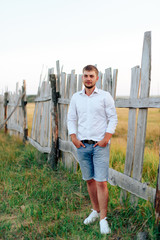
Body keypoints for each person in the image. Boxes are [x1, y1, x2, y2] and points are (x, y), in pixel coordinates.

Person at [67, 65, 117, 235]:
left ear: (97, 78)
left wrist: (106, 139)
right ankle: (95, 211)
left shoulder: (105, 96)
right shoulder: (76, 97)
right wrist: (73, 137)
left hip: (99, 145)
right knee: (89, 180)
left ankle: (103, 219)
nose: (88, 78)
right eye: (86, 75)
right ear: (82, 78)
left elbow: (112, 118)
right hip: (82, 146)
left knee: (101, 182)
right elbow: (71, 118)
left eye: (91, 76)